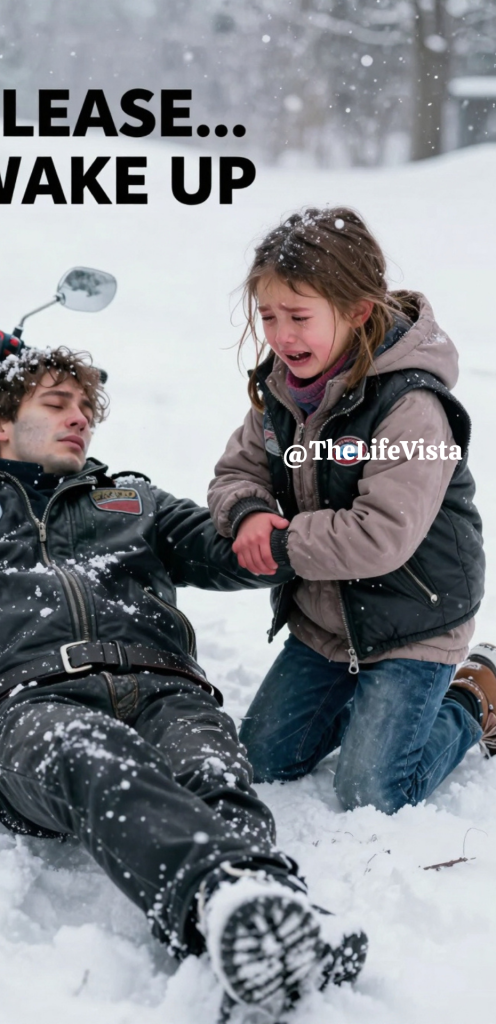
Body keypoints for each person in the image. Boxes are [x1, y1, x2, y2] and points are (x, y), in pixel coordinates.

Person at [0, 346, 366, 1017]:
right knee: (95, 758)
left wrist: (298, 506)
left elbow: (233, 550)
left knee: (211, 772)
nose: (79, 419)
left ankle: (254, 927)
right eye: (56, 404)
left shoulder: (131, 499)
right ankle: (242, 904)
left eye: (85, 409)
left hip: (165, 689)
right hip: (30, 703)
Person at [208, 206, 494, 815]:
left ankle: (476, 696)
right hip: (328, 618)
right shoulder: (283, 391)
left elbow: (381, 534)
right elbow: (238, 471)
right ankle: (367, 715)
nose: (282, 336)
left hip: (416, 617)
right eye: (268, 316)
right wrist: (249, 513)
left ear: (358, 311)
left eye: (299, 317)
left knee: (373, 792)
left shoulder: (411, 405)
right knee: (261, 762)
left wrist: (281, 545)